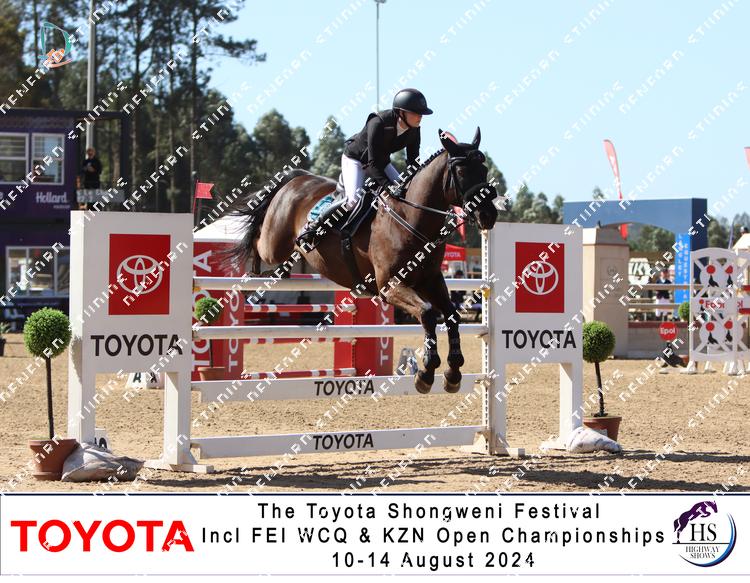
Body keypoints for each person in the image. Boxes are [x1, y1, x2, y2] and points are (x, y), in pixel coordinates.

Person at [297, 88, 433, 244]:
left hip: (380, 161)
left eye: (421, 114)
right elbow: (371, 164)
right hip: (355, 160)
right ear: (401, 112)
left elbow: (413, 162)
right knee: (352, 201)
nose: (420, 117)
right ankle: (312, 226)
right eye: (416, 113)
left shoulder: (414, 130)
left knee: (405, 193)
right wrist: (389, 186)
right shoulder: (378, 123)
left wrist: (413, 182)